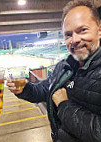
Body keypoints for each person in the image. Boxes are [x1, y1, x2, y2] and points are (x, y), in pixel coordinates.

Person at [7, 0, 101, 141]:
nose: (74, 40)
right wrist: (24, 89)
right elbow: (44, 90)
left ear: (99, 30)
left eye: (83, 30)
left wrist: (64, 105)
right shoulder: (64, 65)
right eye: (68, 34)